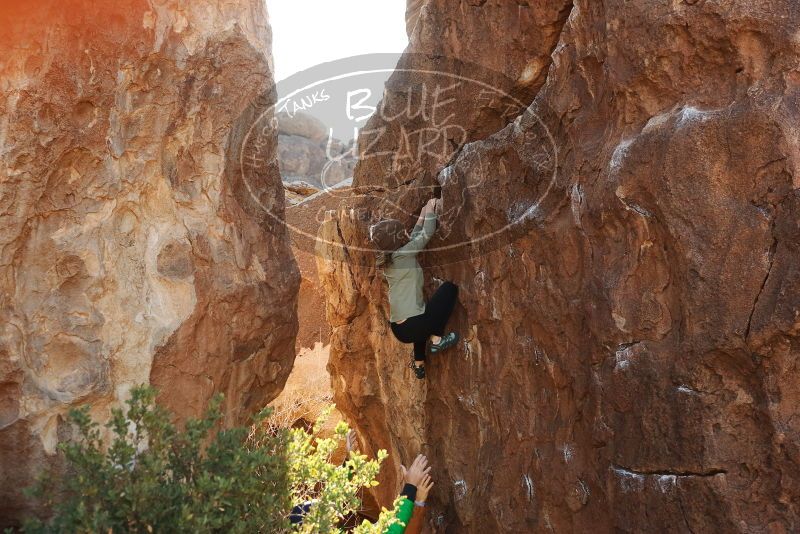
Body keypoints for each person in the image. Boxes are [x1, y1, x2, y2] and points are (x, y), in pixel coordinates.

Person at [371, 197, 460, 379]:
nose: (404, 231)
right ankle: (437, 339)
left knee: (422, 315)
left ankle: (419, 363)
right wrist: (432, 208)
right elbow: (427, 232)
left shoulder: (391, 259)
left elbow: (413, 237)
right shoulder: (403, 255)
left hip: (400, 329)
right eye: (400, 231)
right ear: (395, 239)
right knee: (449, 289)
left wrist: (422, 213)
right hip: (413, 325)